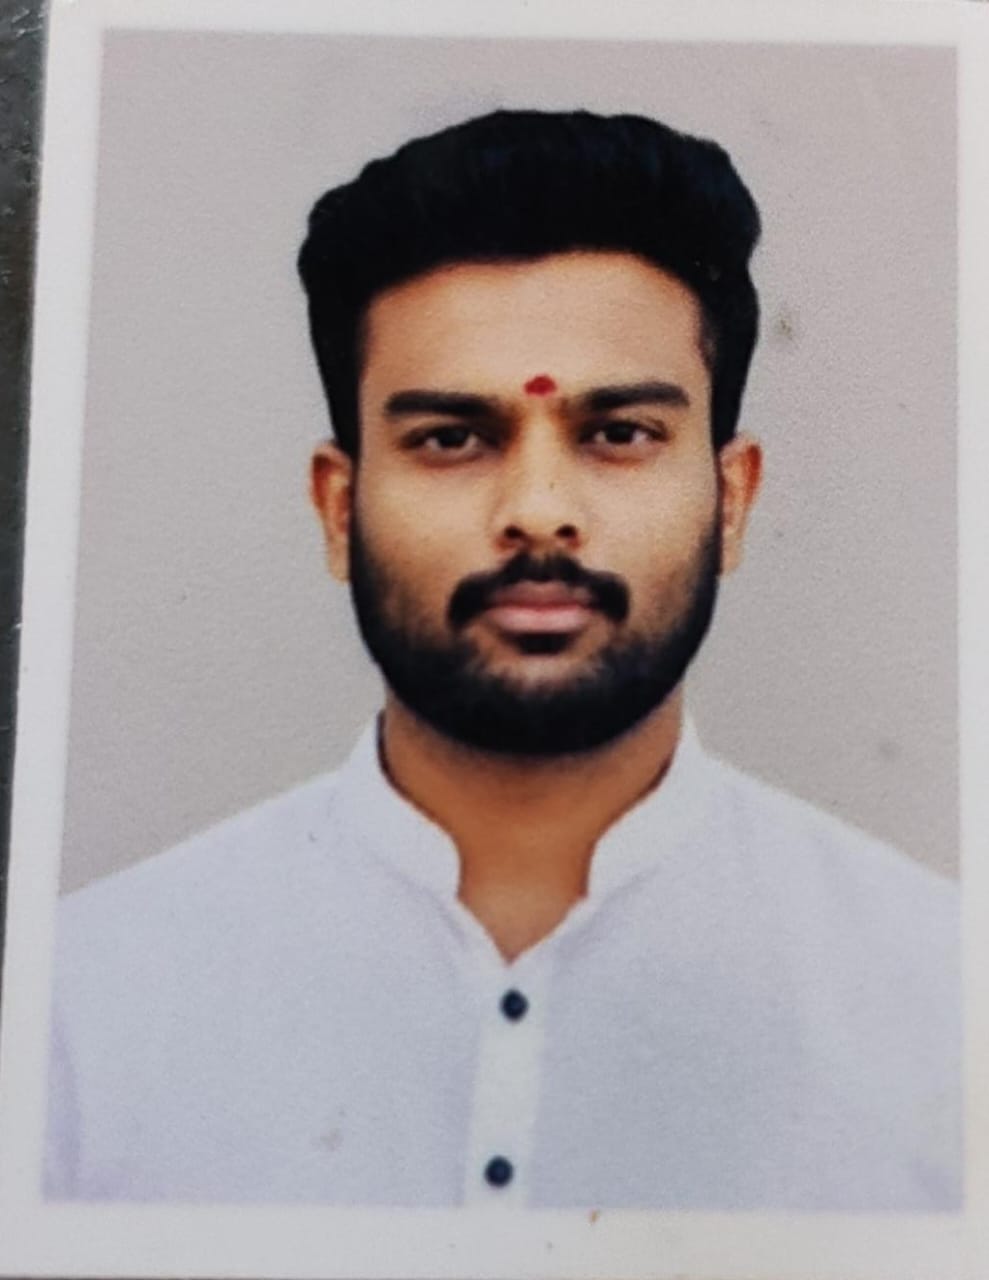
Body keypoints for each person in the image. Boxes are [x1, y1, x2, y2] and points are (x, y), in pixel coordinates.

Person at [45, 109, 960, 1209]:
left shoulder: (944, 1003)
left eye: (617, 433)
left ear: (731, 500)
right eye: (450, 438)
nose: (536, 511)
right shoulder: (76, 1007)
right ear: (338, 507)